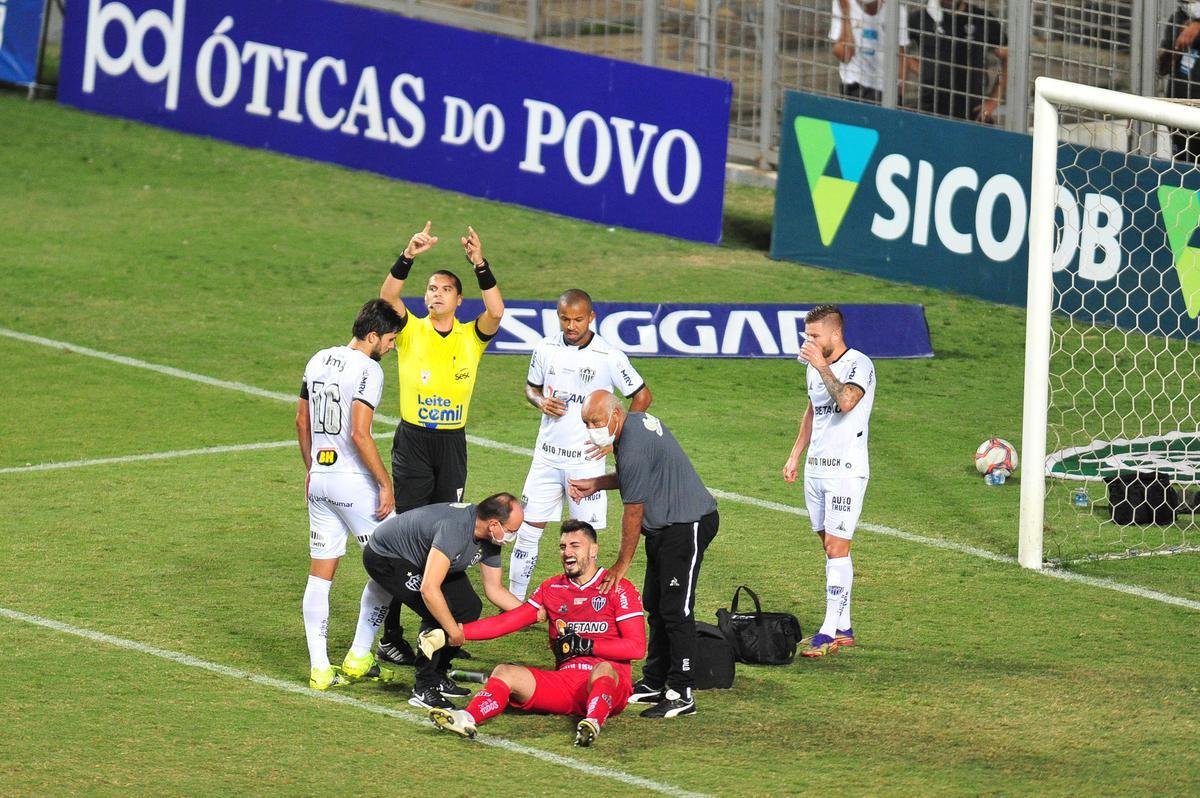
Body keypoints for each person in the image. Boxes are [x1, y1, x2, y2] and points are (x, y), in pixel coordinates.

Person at [374, 221, 505, 669]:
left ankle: (437, 632)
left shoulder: (471, 337)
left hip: (452, 445)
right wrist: (408, 255)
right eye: (430, 288)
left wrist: (479, 263)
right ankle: (390, 635)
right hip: (413, 443)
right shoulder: (410, 329)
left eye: (444, 289)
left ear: (458, 299)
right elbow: (387, 297)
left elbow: (497, 310)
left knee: (449, 538)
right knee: (405, 539)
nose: (434, 294)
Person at [424, 520, 646, 747]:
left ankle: (593, 722)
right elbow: (508, 622)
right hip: (566, 684)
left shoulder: (618, 588)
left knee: (603, 668)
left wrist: (588, 646)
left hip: (609, 684)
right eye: (562, 547)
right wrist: (454, 632)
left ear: (593, 550)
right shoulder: (551, 589)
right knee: (504, 672)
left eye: (575, 545)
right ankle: (467, 717)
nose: (567, 552)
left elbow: (637, 647)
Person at [567, 392, 719, 719]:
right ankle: (655, 679)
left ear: (616, 414)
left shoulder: (631, 444)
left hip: (685, 523)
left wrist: (622, 563)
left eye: (596, 421)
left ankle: (682, 691)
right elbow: (636, 475)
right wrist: (598, 482)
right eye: (587, 423)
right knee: (656, 603)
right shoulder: (632, 428)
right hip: (665, 525)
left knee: (677, 608)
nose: (592, 428)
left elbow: (633, 511)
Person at [508, 289, 652, 601]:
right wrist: (541, 401)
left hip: (585, 463)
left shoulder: (609, 356)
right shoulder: (545, 348)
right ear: (557, 316)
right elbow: (531, 388)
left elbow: (642, 396)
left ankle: (585, 601)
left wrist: (617, 437)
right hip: (546, 457)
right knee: (528, 530)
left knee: (582, 538)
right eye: (564, 319)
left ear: (591, 317)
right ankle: (514, 602)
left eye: (577, 319)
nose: (571, 326)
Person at [295, 299, 403, 690]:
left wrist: (312, 470)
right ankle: (359, 655)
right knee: (396, 562)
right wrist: (384, 482)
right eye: (390, 339)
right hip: (354, 482)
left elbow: (300, 420)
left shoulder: (317, 359)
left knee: (320, 576)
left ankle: (320, 669)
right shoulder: (368, 369)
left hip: (321, 481)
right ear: (373, 336)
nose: (391, 347)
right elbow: (360, 433)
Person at [360, 493, 525, 709]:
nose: (513, 536)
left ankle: (438, 676)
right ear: (493, 524)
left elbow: (494, 589)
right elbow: (429, 590)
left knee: (469, 607)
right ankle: (423, 687)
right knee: (437, 612)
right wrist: (453, 630)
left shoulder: (491, 538)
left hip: (426, 557)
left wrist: (533, 612)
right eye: (512, 530)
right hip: (388, 556)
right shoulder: (455, 530)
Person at [781, 305, 876, 657]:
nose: (809, 342)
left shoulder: (859, 364)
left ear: (835, 334)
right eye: (807, 335)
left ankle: (827, 632)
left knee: (838, 549)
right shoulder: (812, 366)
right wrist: (795, 454)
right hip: (816, 470)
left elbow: (847, 401)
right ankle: (845, 626)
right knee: (828, 548)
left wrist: (821, 366)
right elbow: (812, 410)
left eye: (815, 336)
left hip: (845, 472)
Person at [907, 0, 1007, 124]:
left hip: (972, 115)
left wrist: (993, 101)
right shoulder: (921, 18)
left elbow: (1009, 58)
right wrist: (922, 69)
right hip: (930, 111)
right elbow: (897, 48)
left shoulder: (980, 18)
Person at [829, 0, 909, 104]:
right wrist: (845, 13)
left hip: (885, 89)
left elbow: (901, 56)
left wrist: (899, 92)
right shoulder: (843, 3)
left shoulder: (897, 11)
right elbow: (845, 55)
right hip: (854, 85)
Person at [1158, 3, 1200, 161]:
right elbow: (1162, 69)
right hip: (1179, 112)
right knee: (1183, 168)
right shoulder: (1179, 17)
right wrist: (1175, 46)